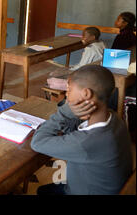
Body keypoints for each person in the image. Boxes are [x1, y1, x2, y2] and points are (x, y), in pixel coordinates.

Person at [31, 65, 133, 195]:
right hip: (103, 187)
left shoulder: (85, 142)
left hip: (79, 191)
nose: (66, 95)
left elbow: (37, 142)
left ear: (86, 94)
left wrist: (66, 112)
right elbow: (73, 132)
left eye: (69, 89)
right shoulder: (115, 119)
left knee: (42, 191)